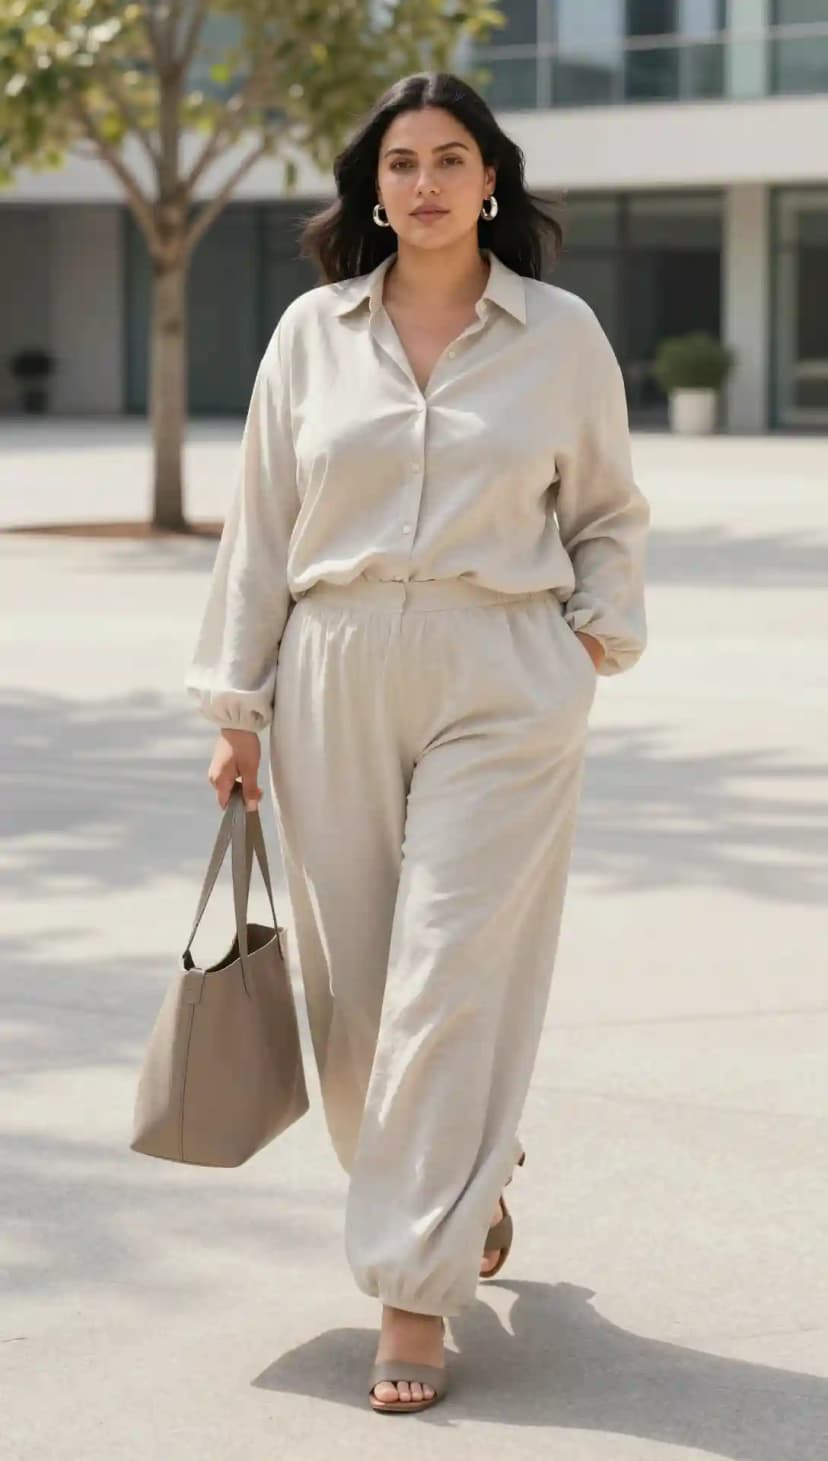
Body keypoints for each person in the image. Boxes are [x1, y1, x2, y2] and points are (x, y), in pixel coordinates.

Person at [186, 70, 650, 1415]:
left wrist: (588, 643)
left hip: (503, 670)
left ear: (490, 180)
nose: (429, 182)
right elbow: (261, 526)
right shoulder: (308, 336)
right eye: (403, 162)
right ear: (372, 187)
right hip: (334, 664)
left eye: (453, 159)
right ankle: (467, 1174)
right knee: (357, 1003)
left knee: (448, 974)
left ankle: (413, 1289)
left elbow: (611, 512)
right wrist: (237, 710)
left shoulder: (560, 336)